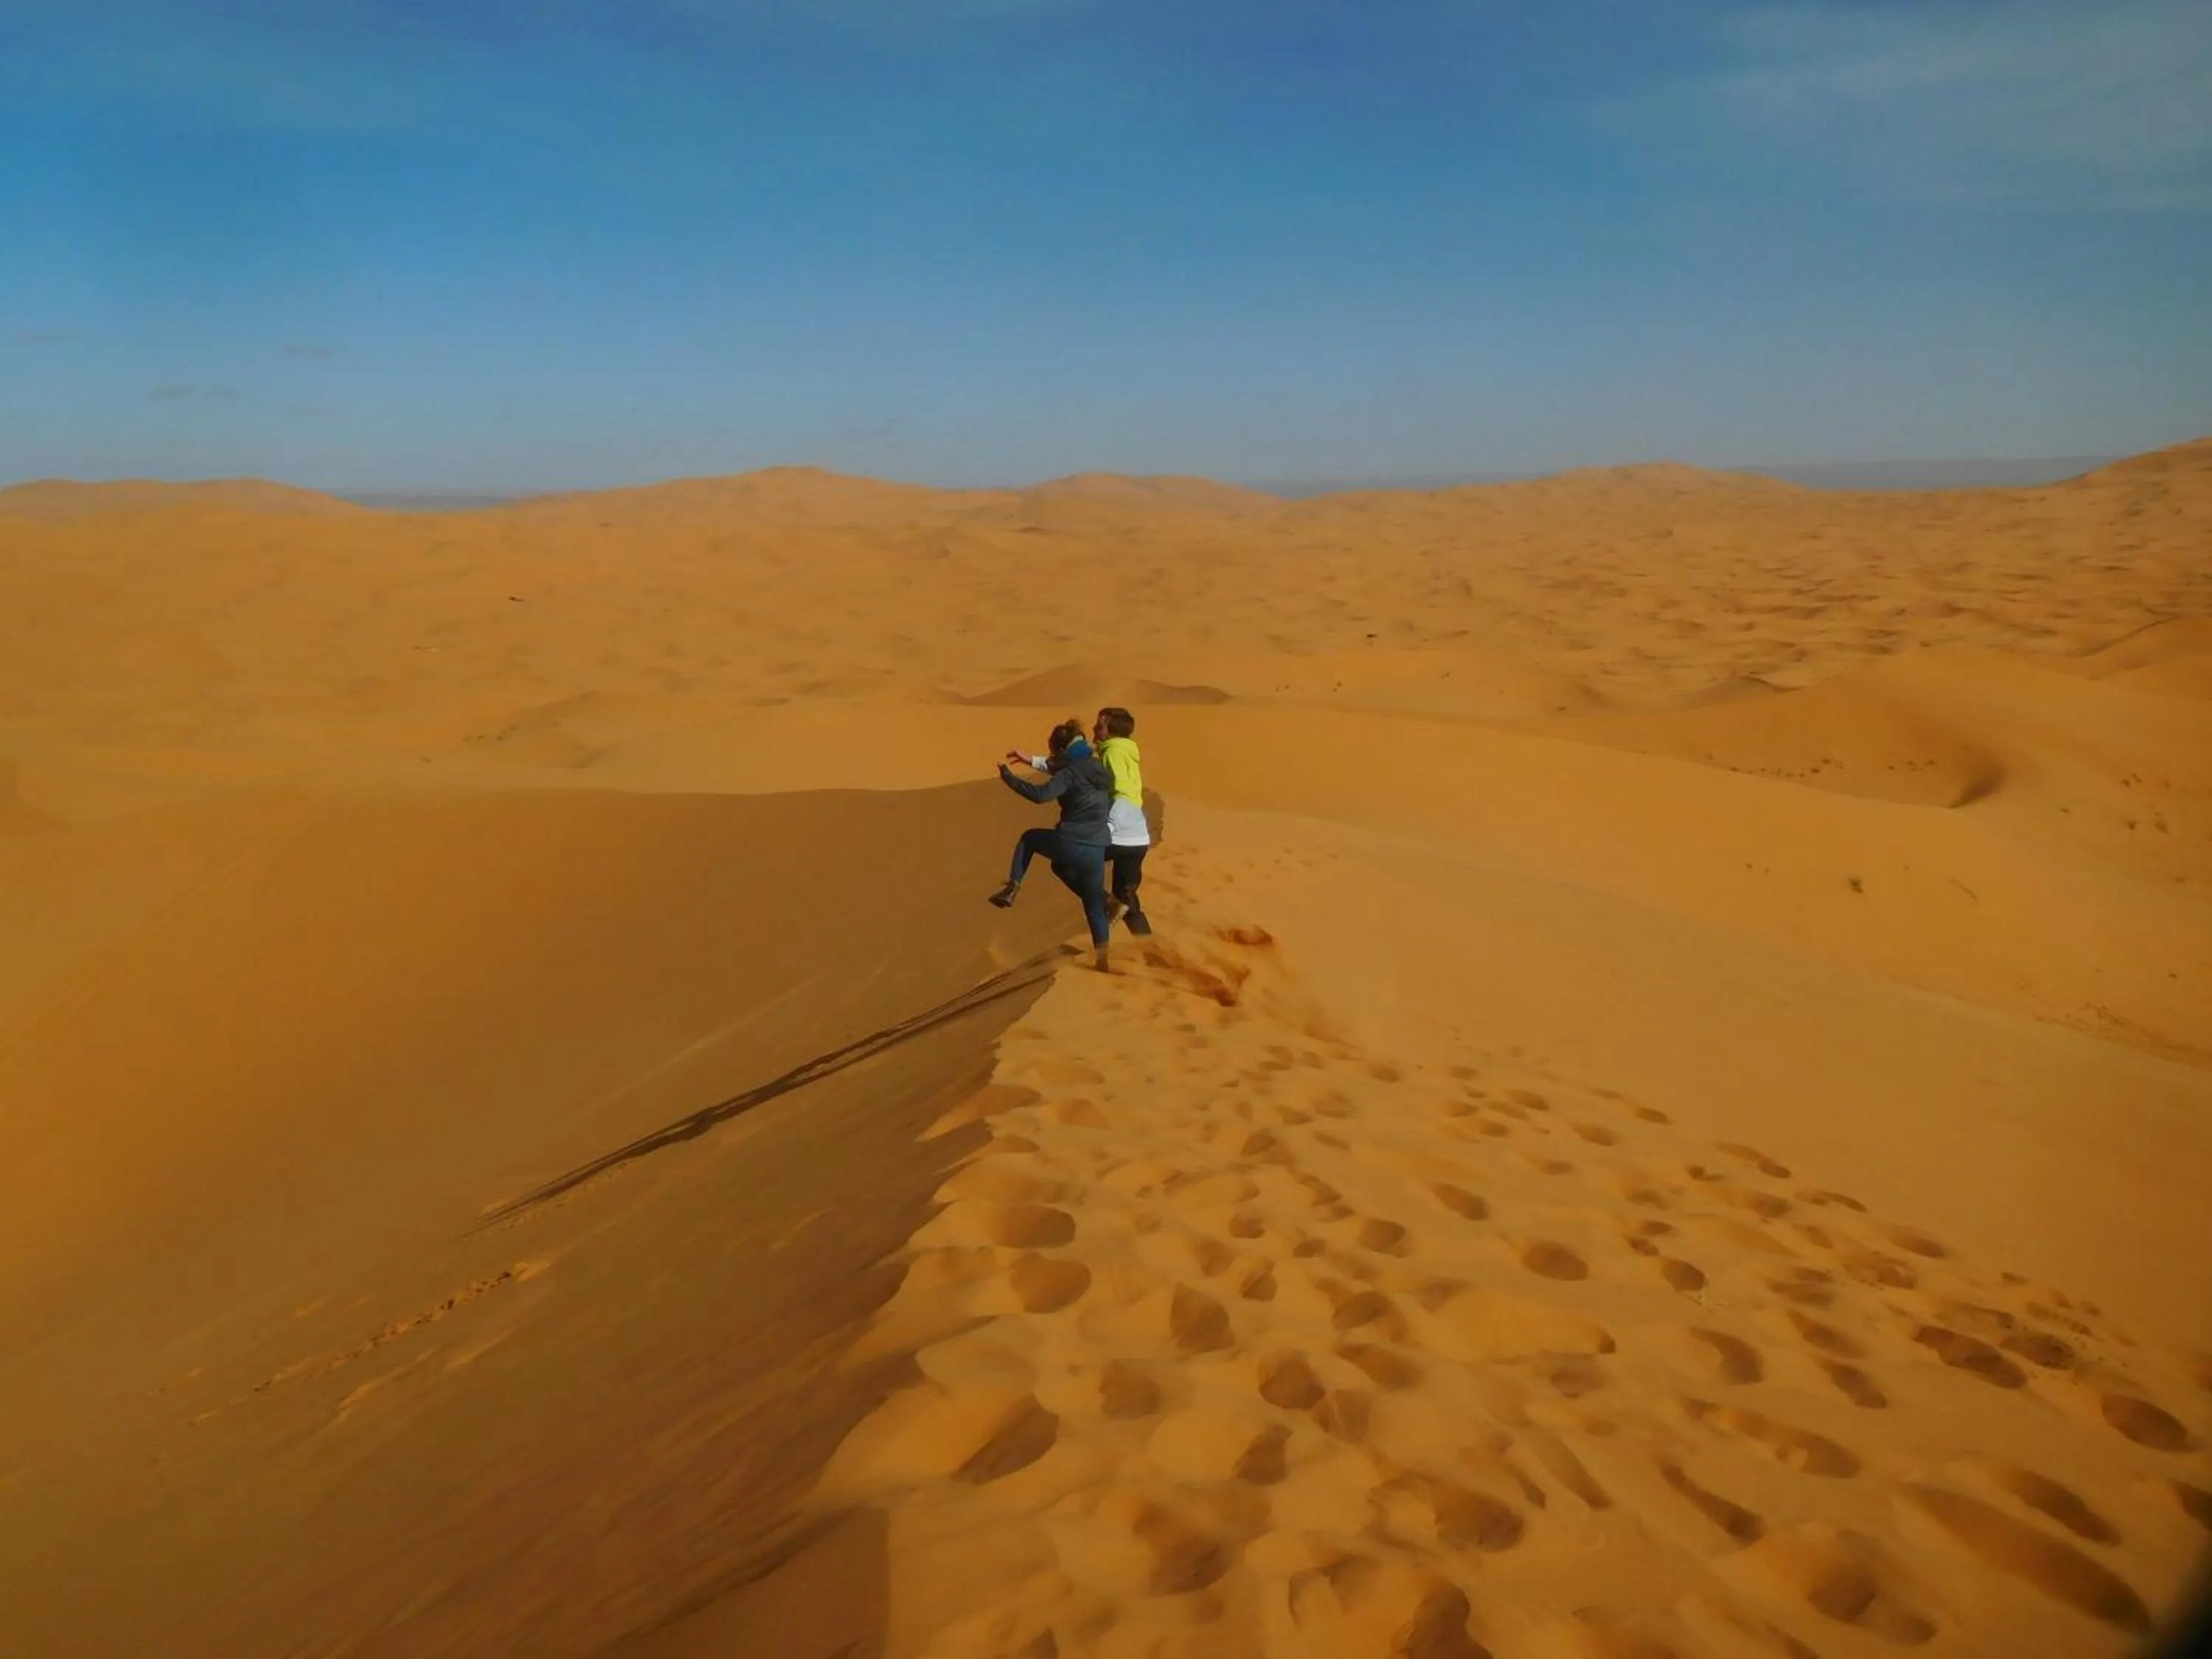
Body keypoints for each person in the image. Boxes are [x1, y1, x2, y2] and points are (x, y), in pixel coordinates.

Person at [992, 718, 1116, 968]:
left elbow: (1041, 796)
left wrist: (1009, 778)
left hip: (1070, 841)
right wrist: (1032, 760)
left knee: (1029, 839)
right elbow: (1066, 770)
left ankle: (1013, 887)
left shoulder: (1069, 773)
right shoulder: (1100, 769)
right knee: (1092, 903)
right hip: (1097, 848)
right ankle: (1103, 959)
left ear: (1061, 750)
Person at [1092, 705, 1152, 936]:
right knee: (1125, 896)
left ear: (1111, 731)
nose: (1094, 730)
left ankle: (1106, 905)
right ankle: (1152, 952)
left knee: (1070, 861)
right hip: (1138, 835)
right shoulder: (1126, 750)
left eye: (1099, 726)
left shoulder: (1113, 752)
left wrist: (1108, 824)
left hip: (1120, 830)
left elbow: (1122, 791)